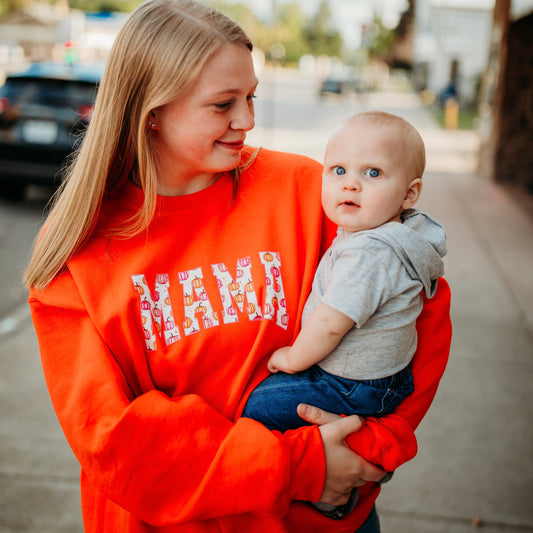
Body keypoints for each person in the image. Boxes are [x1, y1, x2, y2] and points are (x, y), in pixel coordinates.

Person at [24, 1, 452, 532]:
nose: (247, 121)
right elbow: (113, 439)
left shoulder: (308, 191)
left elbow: (418, 315)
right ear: (150, 111)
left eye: (251, 97)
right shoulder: (75, 253)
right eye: (223, 104)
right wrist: (301, 466)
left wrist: (365, 457)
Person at [242, 111, 446, 518]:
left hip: (353, 384)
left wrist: (292, 358)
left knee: (259, 407)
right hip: (377, 379)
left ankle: (324, 494)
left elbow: (331, 322)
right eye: (338, 170)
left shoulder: (369, 253)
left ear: (409, 194)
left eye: (373, 173)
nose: (350, 183)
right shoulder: (393, 236)